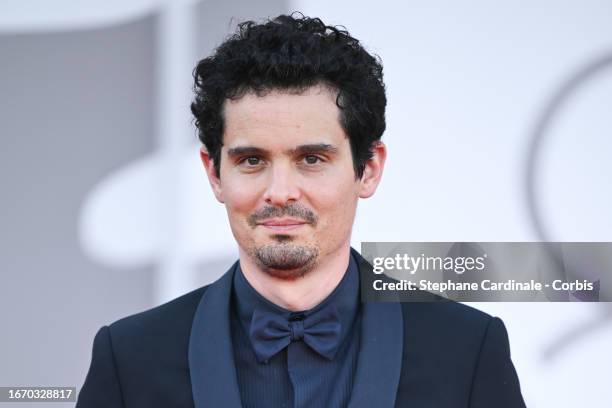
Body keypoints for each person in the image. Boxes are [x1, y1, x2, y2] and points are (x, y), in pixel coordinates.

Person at [77, 13, 526, 407]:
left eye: (311, 159)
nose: (280, 192)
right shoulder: (130, 358)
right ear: (214, 174)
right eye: (251, 160)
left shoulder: (466, 350)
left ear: (368, 169)